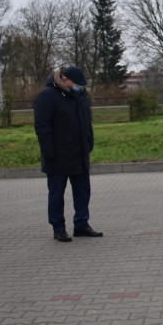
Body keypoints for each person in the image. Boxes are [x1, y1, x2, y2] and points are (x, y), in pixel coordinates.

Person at [33, 66, 103, 242]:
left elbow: (87, 122)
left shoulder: (80, 96)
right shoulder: (47, 96)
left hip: (79, 154)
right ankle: (58, 228)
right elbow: (42, 127)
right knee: (56, 195)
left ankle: (81, 224)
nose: (80, 87)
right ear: (65, 79)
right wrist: (48, 151)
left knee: (83, 192)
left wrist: (89, 141)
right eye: (77, 84)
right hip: (57, 156)